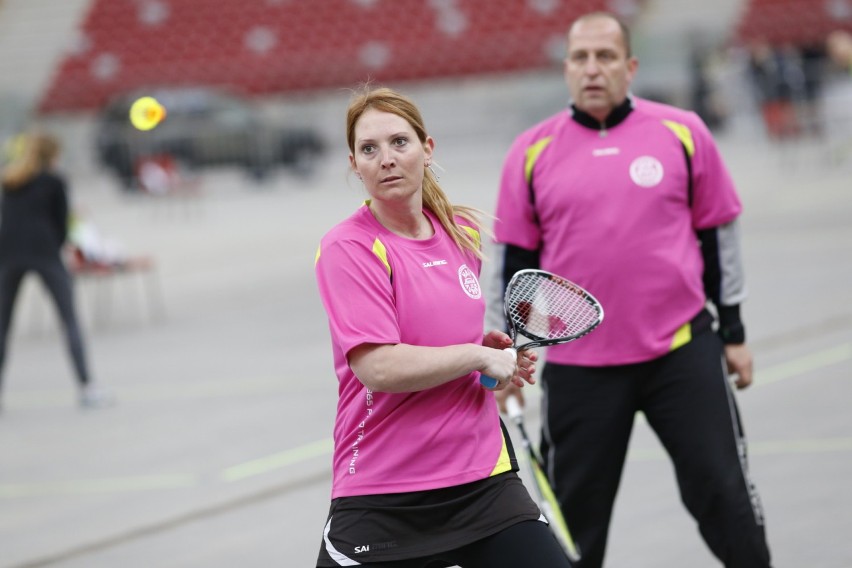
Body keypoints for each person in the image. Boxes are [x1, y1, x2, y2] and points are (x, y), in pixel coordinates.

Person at [489, 12, 772, 568]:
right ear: (567, 68)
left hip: (682, 352)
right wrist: (510, 357)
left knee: (725, 500)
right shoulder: (530, 151)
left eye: (605, 56)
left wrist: (734, 332)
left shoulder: (683, 132)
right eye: (580, 58)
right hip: (580, 368)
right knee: (573, 526)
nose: (592, 69)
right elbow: (515, 266)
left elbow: (718, 234)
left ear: (630, 65)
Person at [313, 86, 571, 568]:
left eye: (399, 142)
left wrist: (486, 353)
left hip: (483, 481)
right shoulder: (348, 248)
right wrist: (475, 356)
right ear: (354, 164)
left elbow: (444, 345)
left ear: (427, 149)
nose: (386, 159)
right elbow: (380, 367)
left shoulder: (461, 234)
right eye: (369, 149)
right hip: (385, 491)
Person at [0, 131, 111, 409]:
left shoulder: (11, 180)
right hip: (45, 252)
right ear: (52, 154)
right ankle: (87, 387)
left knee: (3, 326)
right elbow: (62, 223)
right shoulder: (54, 181)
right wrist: (58, 246)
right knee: (69, 319)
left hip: (10, 253)